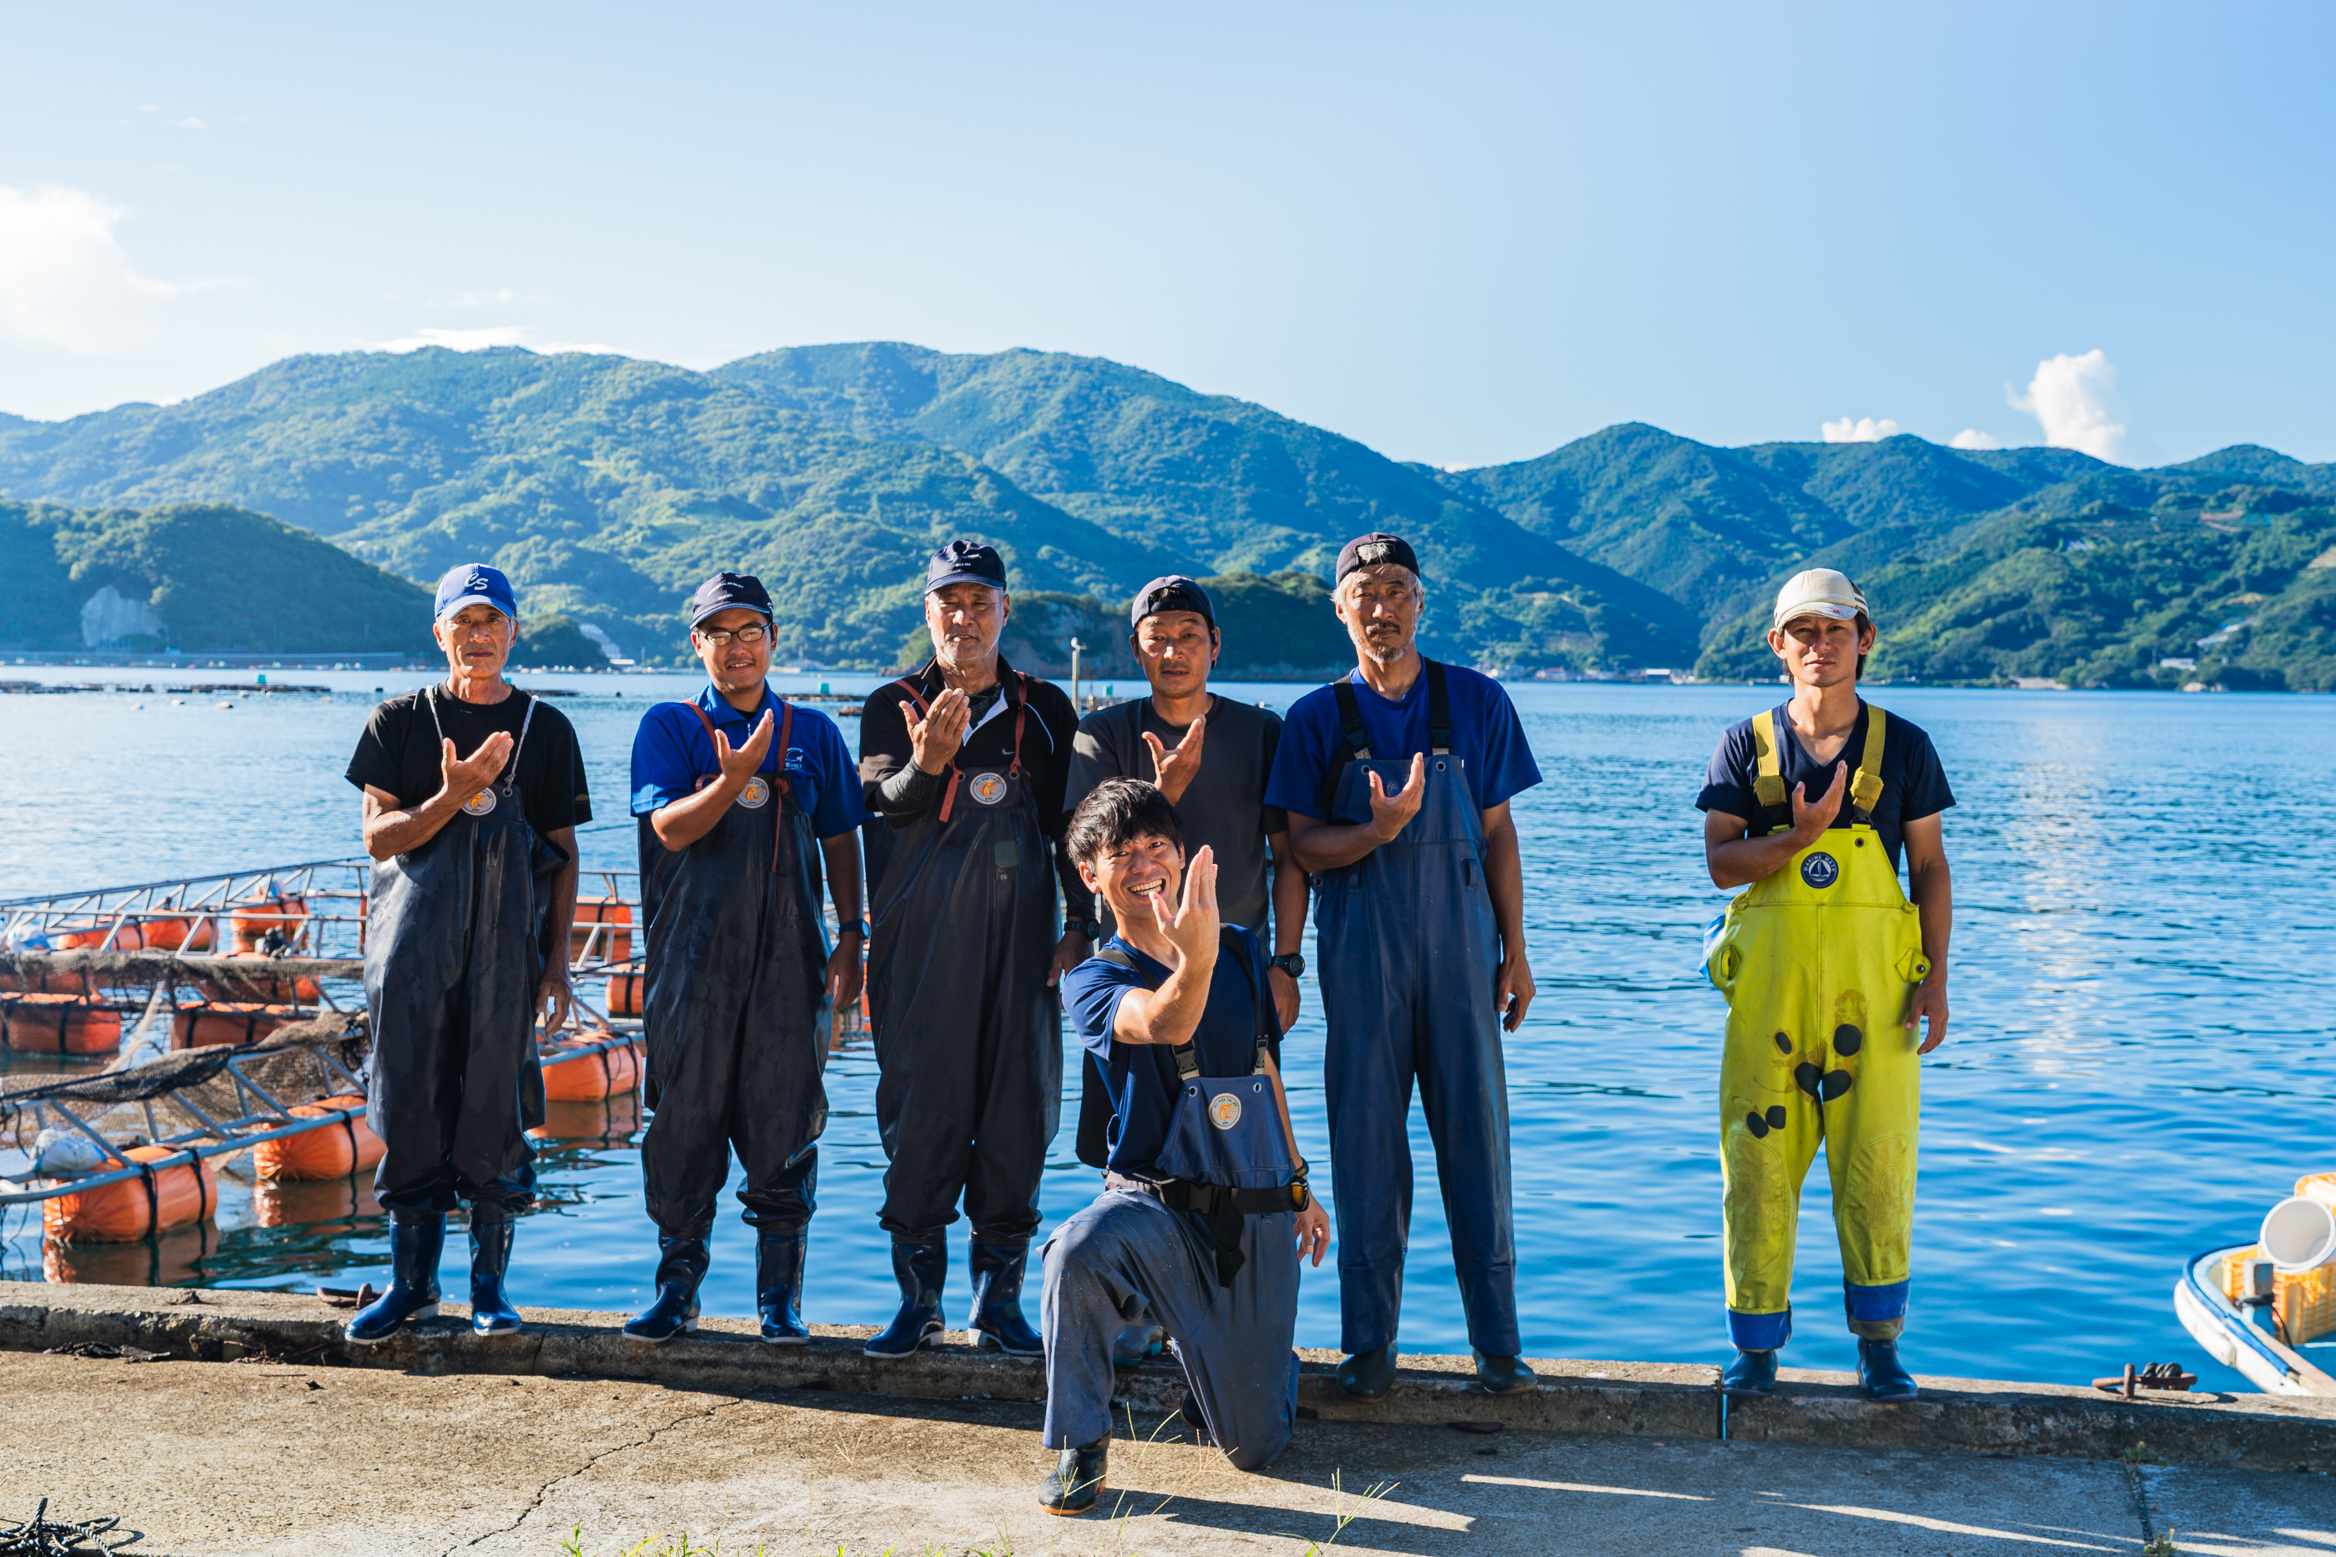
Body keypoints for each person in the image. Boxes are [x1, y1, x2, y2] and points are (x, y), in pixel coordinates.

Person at [1264, 532, 1542, 1400]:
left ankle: (1498, 1348)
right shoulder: (1314, 719)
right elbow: (1296, 850)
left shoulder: (1478, 700)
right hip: (1360, 957)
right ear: (1339, 607)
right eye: (1364, 592)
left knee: (1477, 1145)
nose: (1381, 607)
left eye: (1397, 589)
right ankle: (1367, 1347)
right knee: (1365, 1145)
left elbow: (1498, 832)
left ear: (1422, 601)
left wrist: (1517, 951)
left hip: (1464, 954)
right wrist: (1289, 958)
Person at [1697, 568, 1954, 1404]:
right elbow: (1720, 864)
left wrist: (1937, 979)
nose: (1820, 644)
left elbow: (1930, 869)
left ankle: (1880, 1349)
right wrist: (1796, 837)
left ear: (1864, 638)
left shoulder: (1904, 747)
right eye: (1802, 631)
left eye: (1835, 629)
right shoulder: (1746, 746)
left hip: (1874, 1002)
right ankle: (1756, 1350)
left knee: (1878, 1164)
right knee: (1756, 1168)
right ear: (1778, 646)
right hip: (1770, 1004)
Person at [1040, 779, 1329, 1514]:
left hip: (1251, 1207)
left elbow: (1264, 1067)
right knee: (1074, 1250)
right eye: (1121, 853)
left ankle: (1230, 1359)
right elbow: (1164, 1021)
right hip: (1153, 1212)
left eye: (1156, 846)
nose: (1143, 865)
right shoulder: (1094, 977)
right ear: (1090, 875)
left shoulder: (1236, 949)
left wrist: (1298, 1183)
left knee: (1256, 1448)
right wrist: (1187, 959)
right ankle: (1081, 1439)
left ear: (1180, 854)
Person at [856, 539, 1096, 1358]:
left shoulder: (1045, 711)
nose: (964, 617)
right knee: (921, 1120)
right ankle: (916, 1301)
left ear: (1004, 610)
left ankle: (998, 1303)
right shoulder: (893, 703)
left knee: (1016, 1121)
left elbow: (1076, 834)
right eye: (948, 603)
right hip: (920, 956)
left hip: (1024, 956)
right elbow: (885, 807)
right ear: (928, 612)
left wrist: (1080, 926)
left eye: (979, 602)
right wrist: (927, 762)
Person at [1063, 574, 1309, 1366]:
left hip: (1237, 967)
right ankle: (1133, 1312)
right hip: (1139, 973)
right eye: (1157, 637)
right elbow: (1092, 842)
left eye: (1189, 636)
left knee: (1240, 1136)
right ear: (1135, 647)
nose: (1173, 651)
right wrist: (1162, 790)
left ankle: (1214, 1325)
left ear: (1214, 646)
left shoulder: (1258, 731)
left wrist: (1284, 960)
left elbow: (1286, 857)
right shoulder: (1101, 732)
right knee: (1135, 1147)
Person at [620, 573, 871, 1345]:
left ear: (773, 638)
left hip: (790, 968)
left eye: (749, 631)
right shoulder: (669, 727)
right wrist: (729, 782)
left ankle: (779, 1298)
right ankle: (677, 1289)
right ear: (697, 643)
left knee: (785, 1123)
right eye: (718, 633)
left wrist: (854, 933)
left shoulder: (815, 732)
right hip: (689, 969)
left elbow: (839, 838)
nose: (736, 647)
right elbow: (668, 830)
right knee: (683, 1128)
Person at [341, 563, 588, 1344]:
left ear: (514, 632)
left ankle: (490, 1288)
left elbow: (563, 853)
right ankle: (412, 1284)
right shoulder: (398, 721)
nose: (478, 636)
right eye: (464, 622)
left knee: (494, 1111)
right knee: (409, 1108)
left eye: (494, 622)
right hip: (409, 956)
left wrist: (556, 962)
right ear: (439, 631)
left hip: (504, 961)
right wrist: (450, 796)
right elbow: (378, 837)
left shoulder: (546, 728)